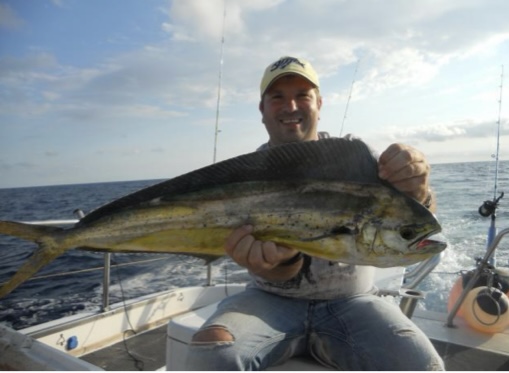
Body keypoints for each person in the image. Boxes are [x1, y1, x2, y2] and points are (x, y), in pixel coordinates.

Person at [185, 56, 443, 370]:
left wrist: (420, 190)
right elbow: (280, 271)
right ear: (262, 109)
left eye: (302, 95)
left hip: (353, 301)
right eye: (277, 96)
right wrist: (276, 264)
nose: (290, 105)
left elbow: (419, 217)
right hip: (268, 301)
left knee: (422, 365)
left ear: (319, 103)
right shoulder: (248, 175)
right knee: (211, 353)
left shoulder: (358, 160)